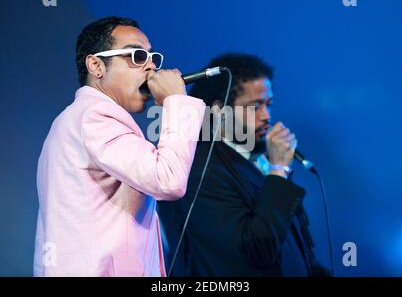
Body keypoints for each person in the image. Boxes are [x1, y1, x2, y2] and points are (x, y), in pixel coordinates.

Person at [34, 16, 205, 276]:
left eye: (151, 58)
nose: (151, 68)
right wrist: (176, 102)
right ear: (96, 65)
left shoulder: (80, 117)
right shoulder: (95, 115)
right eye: (137, 56)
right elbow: (168, 179)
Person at [159, 53, 331, 276]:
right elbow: (255, 251)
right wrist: (278, 172)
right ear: (219, 110)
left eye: (268, 105)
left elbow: (295, 246)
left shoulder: (259, 158)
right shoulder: (200, 170)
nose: (266, 116)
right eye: (254, 106)